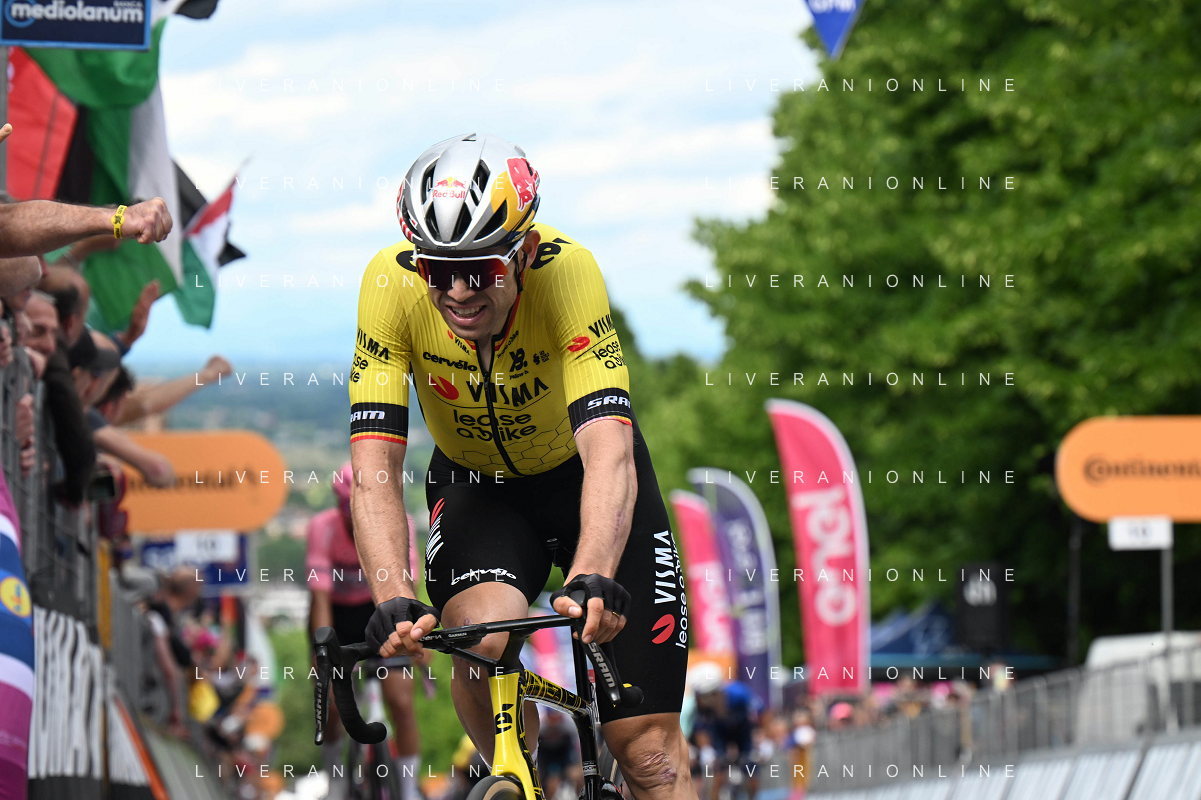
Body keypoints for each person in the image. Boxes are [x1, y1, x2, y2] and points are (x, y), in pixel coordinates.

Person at [350, 133, 693, 799]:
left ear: (525, 252)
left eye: (479, 270)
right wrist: (392, 594)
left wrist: (593, 572)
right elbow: (373, 468)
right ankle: (518, 778)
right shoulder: (388, 285)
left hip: (586, 482)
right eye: (436, 270)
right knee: (479, 643)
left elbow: (608, 449)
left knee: (647, 751)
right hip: (478, 489)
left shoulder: (568, 274)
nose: (457, 291)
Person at [307, 462, 424, 800]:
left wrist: (414, 636)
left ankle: (408, 790)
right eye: (349, 512)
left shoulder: (399, 523)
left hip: (380, 612)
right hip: (337, 615)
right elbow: (320, 600)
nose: (357, 520)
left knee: (401, 702)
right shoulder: (322, 528)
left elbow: (407, 589)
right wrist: (323, 652)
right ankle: (335, 779)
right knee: (332, 706)